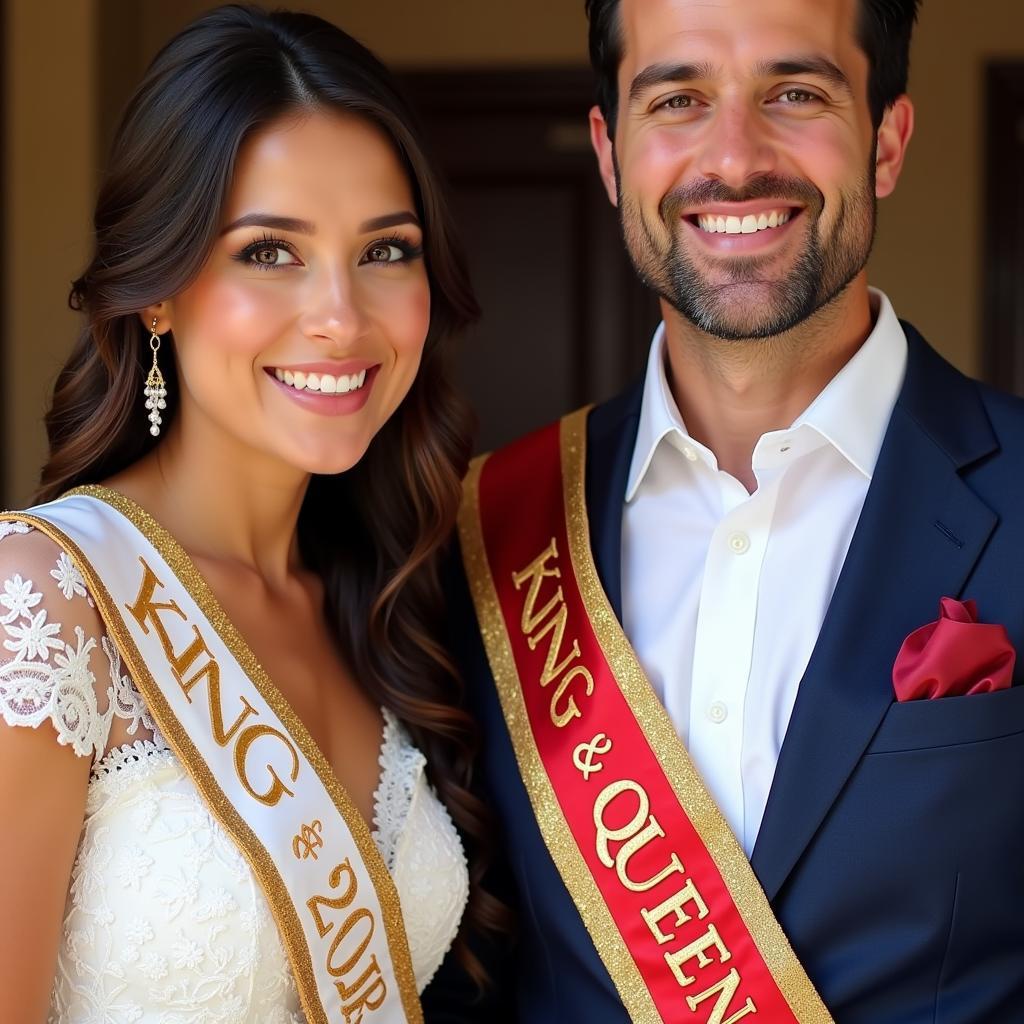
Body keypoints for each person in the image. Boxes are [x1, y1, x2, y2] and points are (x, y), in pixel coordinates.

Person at [444, 0, 1024, 1020]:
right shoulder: (482, 532)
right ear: (610, 153)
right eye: (678, 99)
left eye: (794, 93)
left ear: (886, 140)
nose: (734, 157)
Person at [0, 5, 503, 1022]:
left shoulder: (392, 601)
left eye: (387, 250)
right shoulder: (47, 601)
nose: (339, 316)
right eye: (269, 251)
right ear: (156, 291)